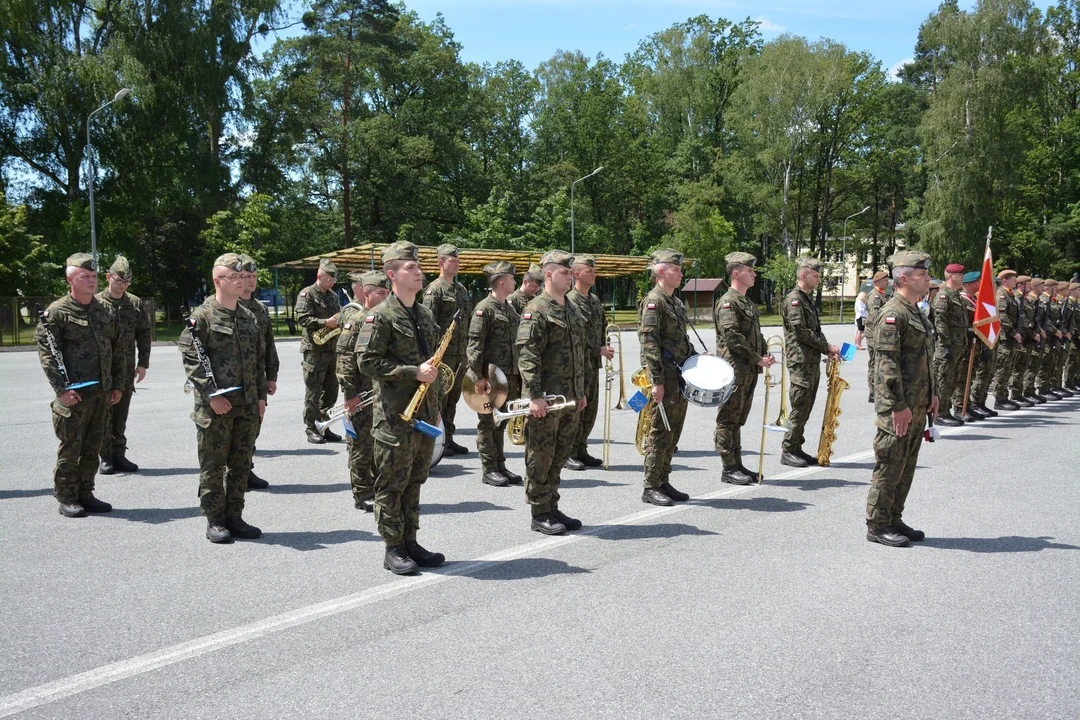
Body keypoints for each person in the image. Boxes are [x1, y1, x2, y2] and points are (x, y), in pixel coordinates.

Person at [357, 241, 445, 575]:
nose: (418, 271)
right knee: (391, 483)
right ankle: (393, 547)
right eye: (410, 267)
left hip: (422, 414)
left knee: (414, 480)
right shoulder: (379, 316)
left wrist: (435, 407)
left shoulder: (423, 313)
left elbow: (433, 365)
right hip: (395, 416)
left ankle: (411, 541)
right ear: (391, 274)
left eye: (419, 266)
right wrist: (412, 372)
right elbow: (366, 362)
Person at [179, 253, 268, 543]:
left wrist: (260, 397)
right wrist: (211, 395)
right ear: (218, 281)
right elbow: (192, 360)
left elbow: (257, 360)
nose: (241, 281)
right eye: (234, 276)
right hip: (216, 405)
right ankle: (215, 519)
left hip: (247, 404)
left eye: (243, 276)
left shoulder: (248, 316)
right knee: (214, 464)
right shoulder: (201, 317)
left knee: (241, 464)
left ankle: (235, 516)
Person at [36, 253, 124, 518]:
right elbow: (48, 354)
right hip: (73, 394)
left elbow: (117, 349)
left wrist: (117, 384)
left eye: (94, 276)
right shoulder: (57, 312)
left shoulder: (104, 310)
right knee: (71, 448)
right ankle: (67, 496)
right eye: (84, 276)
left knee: (92, 448)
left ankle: (86, 493)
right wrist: (61, 390)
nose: (91, 281)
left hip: (101, 392)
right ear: (69, 279)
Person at [866, 250, 938, 548]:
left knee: (906, 466)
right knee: (890, 464)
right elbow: (886, 365)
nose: (928, 279)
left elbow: (924, 358)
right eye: (922, 275)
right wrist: (898, 406)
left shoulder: (915, 310)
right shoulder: (893, 313)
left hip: (916, 403)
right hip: (899, 406)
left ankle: (894, 518)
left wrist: (932, 395)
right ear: (904, 278)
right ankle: (878, 524)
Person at [516, 250, 588, 535]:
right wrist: (534, 396)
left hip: (569, 396)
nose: (569, 277)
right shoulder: (537, 309)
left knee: (559, 455)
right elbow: (528, 356)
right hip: (546, 397)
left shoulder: (571, 308)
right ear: (548, 274)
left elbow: (579, 353)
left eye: (571, 273)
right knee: (540, 455)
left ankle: (552, 505)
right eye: (564, 273)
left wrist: (580, 392)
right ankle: (539, 511)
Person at [638, 248, 693, 506]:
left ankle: (663, 480)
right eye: (676, 269)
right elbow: (649, 344)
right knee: (660, 432)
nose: (681, 273)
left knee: (674, 432)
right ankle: (650, 486)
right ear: (661, 271)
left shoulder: (675, 302)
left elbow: (681, 340)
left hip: (679, 377)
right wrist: (656, 381)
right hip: (665, 377)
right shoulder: (654, 301)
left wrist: (697, 358)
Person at [713, 251, 775, 485]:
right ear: (737, 273)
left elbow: (754, 334)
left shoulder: (745, 301)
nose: (754, 274)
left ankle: (737, 464)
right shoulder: (728, 302)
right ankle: (728, 468)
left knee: (738, 419)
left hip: (747, 368)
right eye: (750, 270)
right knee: (728, 418)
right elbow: (733, 337)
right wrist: (756, 358)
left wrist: (764, 353)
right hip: (734, 368)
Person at [466, 261, 523, 487]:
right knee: (487, 423)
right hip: (489, 378)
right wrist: (478, 377)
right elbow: (474, 346)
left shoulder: (509, 309)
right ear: (502, 282)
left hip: (507, 377)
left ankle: (500, 465)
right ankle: (489, 468)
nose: (515, 282)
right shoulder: (484, 309)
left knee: (501, 422)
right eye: (512, 278)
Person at [780, 257, 840, 468]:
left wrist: (827, 348)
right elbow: (800, 331)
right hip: (800, 362)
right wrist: (827, 347)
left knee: (806, 407)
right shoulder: (794, 299)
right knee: (799, 405)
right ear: (803, 275)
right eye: (815, 276)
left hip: (810, 361)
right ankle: (787, 449)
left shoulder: (806, 300)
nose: (818, 279)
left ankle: (796, 446)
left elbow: (815, 331)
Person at [337, 270, 389, 511]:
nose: (386, 296)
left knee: (380, 445)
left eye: (388, 292)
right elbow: (345, 361)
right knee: (360, 446)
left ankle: (379, 489)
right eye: (381, 292)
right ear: (367, 293)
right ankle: (362, 493)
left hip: (381, 395)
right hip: (360, 394)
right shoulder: (357, 321)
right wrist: (349, 395)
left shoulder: (385, 319)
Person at [96, 255, 151, 475]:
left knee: (121, 414)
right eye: (120, 280)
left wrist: (143, 363)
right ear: (108, 277)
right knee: (104, 414)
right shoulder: (96, 303)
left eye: (127, 281)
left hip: (126, 369)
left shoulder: (134, 303)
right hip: (103, 370)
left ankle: (119, 454)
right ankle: (105, 456)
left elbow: (144, 333)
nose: (123, 285)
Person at [422, 243, 473, 457]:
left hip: (460, 354)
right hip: (442, 355)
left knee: (453, 399)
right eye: (453, 261)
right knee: (439, 399)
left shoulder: (460, 290)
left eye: (458, 261)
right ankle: (435, 442)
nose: (457, 264)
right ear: (441, 262)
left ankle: (448, 439)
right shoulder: (435, 290)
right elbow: (428, 324)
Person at [566, 254, 614, 470]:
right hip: (577, 365)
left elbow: (602, 327)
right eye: (589, 271)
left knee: (590, 409)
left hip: (593, 365)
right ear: (576, 274)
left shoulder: (594, 301)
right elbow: (573, 338)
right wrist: (598, 349)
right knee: (576, 409)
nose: (594, 274)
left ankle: (581, 448)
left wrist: (605, 347)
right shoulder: (570, 301)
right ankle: (568, 452)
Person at [238, 254, 279, 490]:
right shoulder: (228, 305)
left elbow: (269, 346)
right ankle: (233, 474)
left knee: (253, 426)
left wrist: (271, 377)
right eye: (245, 276)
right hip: (233, 379)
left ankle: (246, 468)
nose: (251, 281)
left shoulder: (260, 309)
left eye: (253, 276)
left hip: (256, 379)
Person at [296, 258, 342, 443]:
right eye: (329, 279)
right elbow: (303, 319)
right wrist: (325, 323)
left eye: (333, 280)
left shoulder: (332, 296)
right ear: (319, 276)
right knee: (313, 391)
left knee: (331, 390)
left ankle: (324, 425)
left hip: (331, 349)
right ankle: (310, 428)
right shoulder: (307, 294)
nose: (332, 283)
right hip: (314, 350)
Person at [932, 263, 968, 427]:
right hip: (947, 347)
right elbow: (940, 323)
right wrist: (946, 345)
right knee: (943, 380)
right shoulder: (943, 296)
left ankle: (946, 410)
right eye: (960, 276)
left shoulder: (957, 295)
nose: (962, 278)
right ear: (952, 276)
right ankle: (939, 413)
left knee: (953, 380)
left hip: (958, 346)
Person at [958, 270, 995, 421]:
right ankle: (961, 408)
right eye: (977, 281)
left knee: (972, 375)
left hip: (977, 343)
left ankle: (970, 405)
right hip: (966, 344)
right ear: (969, 284)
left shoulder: (975, 300)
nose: (980, 284)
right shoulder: (963, 300)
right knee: (963, 377)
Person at [992, 270, 1023, 411]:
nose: (1015, 281)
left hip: (1010, 338)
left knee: (1008, 368)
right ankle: (999, 399)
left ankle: (1004, 397)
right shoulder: (1002, 295)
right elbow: (1002, 317)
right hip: (1005, 337)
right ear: (1005, 281)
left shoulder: (1009, 294)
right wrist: (1013, 333)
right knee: (1002, 370)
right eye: (1013, 279)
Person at [865, 270, 890, 403]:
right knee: (875, 362)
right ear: (878, 282)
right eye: (885, 280)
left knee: (879, 362)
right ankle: (873, 391)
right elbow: (875, 316)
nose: (888, 282)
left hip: (880, 334)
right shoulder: (874, 296)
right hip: (873, 334)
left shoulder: (883, 295)